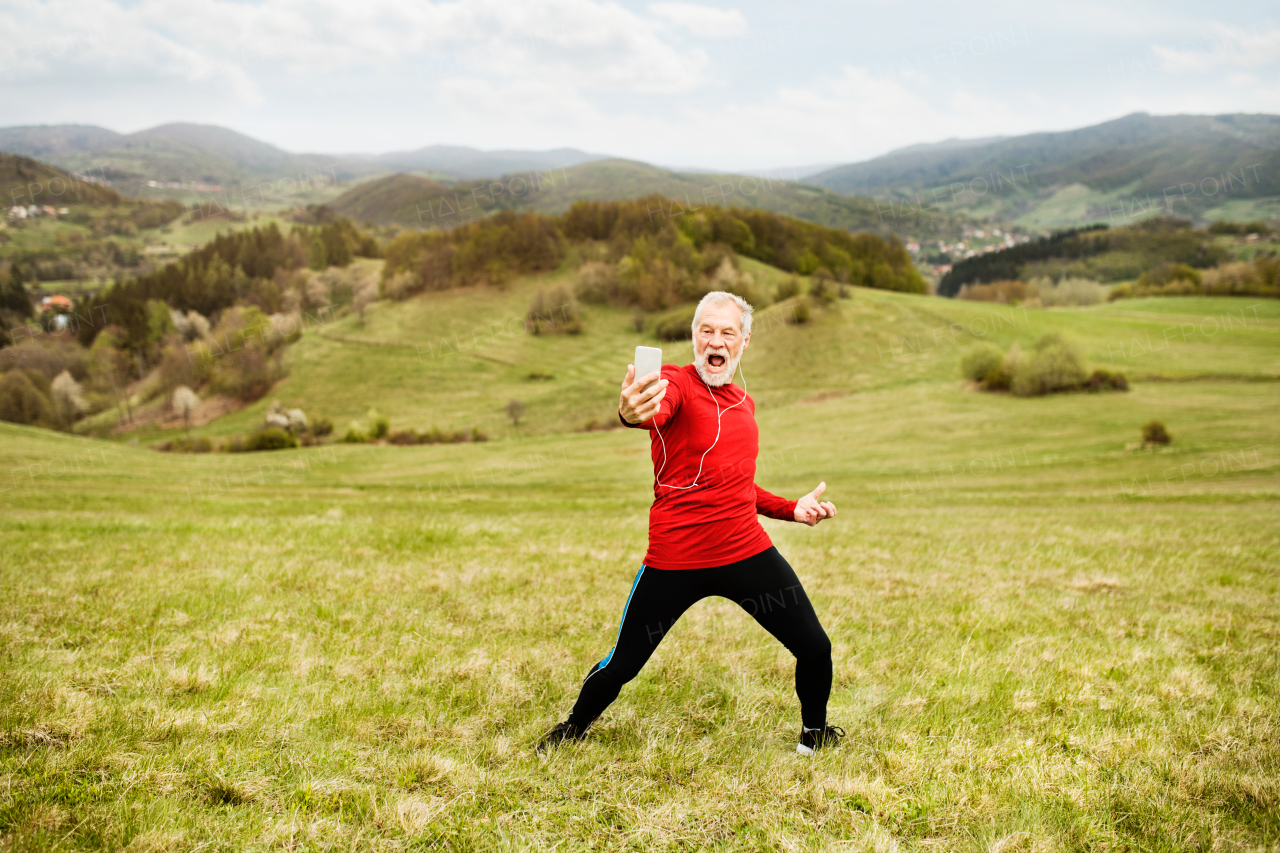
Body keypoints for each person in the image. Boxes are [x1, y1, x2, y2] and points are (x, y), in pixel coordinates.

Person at [538, 291, 843, 755]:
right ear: (694, 337)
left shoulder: (745, 404)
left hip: (747, 553)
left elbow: (738, 485)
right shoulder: (673, 382)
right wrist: (630, 411)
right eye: (706, 331)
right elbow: (649, 410)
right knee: (622, 663)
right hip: (675, 561)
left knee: (815, 647)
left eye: (727, 332)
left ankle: (814, 737)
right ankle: (572, 729)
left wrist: (790, 509)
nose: (715, 341)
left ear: (744, 341)